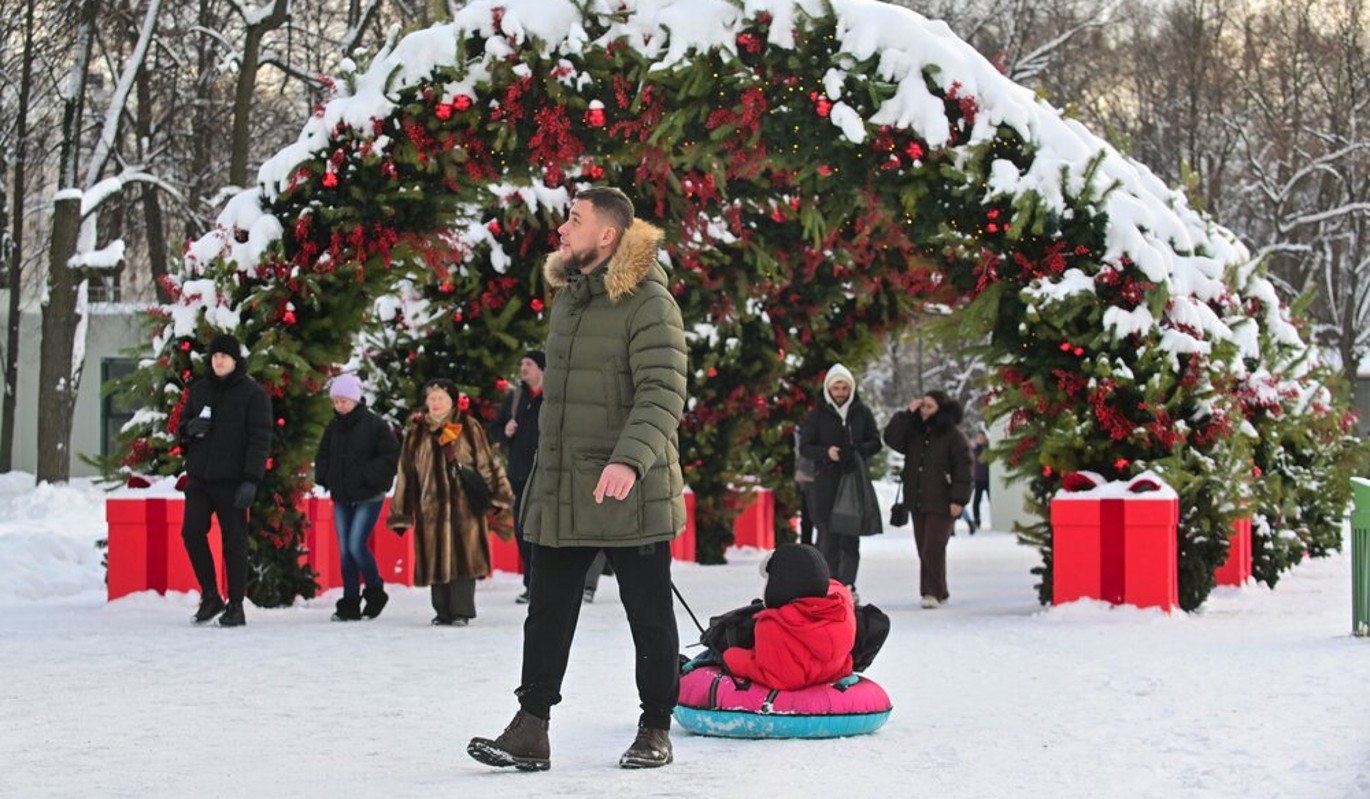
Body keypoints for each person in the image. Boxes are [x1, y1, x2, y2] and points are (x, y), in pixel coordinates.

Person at [467, 186, 688, 771]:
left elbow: (662, 392)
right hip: (565, 482)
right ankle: (530, 727)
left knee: (648, 613)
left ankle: (656, 726)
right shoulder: (569, 298)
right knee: (548, 608)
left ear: (608, 235)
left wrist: (628, 460)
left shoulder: (648, 300)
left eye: (575, 219)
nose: (562, 229)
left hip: (630, 485)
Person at [387, 378, 514, 626]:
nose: (435, 403)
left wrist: (499, 494)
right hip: (430, 508)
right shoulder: (416, 432)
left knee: (464, 557)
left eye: (441, 399)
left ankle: (462, 611)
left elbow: (485, 463)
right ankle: (442, 610)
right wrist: (401, 511)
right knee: (435, 558)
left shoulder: (468, 426)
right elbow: (406, 474)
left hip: (464, 506)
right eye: (431, 399)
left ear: (452, 402)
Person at [178, 332, 271, 627]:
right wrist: (190, 428)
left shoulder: (252, 394)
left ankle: (236, 604)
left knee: (234, 542)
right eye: (215, 356)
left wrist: (251, 480)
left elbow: (260, 439)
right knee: (191, 531)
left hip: (233, 480)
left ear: (235, 360)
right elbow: (183, 426)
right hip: (200, 477)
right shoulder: (200, 389)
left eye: (225, 357)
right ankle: (210, 595)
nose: (219, 361)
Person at [313, 373, 400, 621]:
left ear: (355, 399)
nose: (340, 405)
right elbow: (324, 455)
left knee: (355, 545)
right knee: (344, 551)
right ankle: (349, 600)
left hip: (368, 496)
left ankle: (374, 591)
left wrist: (369, 476)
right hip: (342, 496)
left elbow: (390, 455)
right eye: (336, 401)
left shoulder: (374, 425)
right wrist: (325, 476)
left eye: (344, 401)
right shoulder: (334, 427)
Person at [719, 544, 856, 691]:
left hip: (797, 686)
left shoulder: (773, 626)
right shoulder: (842, 606)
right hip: (830, 673)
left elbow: (783, 679)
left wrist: (731, 657)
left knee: (718, 654)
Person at [882, 390, 973, 609]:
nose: (924, 410)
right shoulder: (915, 432)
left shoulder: (953, 436)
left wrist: (958, 499)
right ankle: (940, 587)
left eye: (929, 406)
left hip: (942, 501)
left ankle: (931, 592)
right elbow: (892, 438)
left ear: (940, 409)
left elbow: (963, 468)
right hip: (917, 499)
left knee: (933, 546)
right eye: (922, 406)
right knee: (924, 546)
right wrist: (906, 414)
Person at [799, 364, 882, 599]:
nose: (840, 391)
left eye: (844, 387)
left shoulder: (862, 413)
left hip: (853, 483)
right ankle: (827, 583)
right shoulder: (816, 415)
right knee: (827, 537)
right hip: (825, 484)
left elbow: (875, 442)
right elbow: (805, 446)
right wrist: (826, 452)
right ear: (828, 389)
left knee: (850, 536)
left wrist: (856, 450)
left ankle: (848, 584)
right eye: (836, 387)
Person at [488, 351, 546, 605]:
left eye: (529, 364)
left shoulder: (553, 397)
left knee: (545, 531)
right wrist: (505, 432)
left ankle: (546, 586)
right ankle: (531, 586)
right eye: (522, 364)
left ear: (542, 369)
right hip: (520, 474)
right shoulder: (515, 397)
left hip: (547, 473)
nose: (523, 369)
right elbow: (495, 429)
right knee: (523, 531)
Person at [794, 427, 816, 546]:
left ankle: (808, 547)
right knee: (807, 516)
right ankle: (806, 547)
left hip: (812, 473)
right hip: (807, 474)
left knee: (809, 516)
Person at [971, 429, 990, 533]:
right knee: (976, 501)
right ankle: (977, 520)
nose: (980, 439)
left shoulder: (988, 449)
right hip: (978, 479)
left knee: (991, 500)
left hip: (988, 479)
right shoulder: (975, 450)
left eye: (981, 437)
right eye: (978, 438)